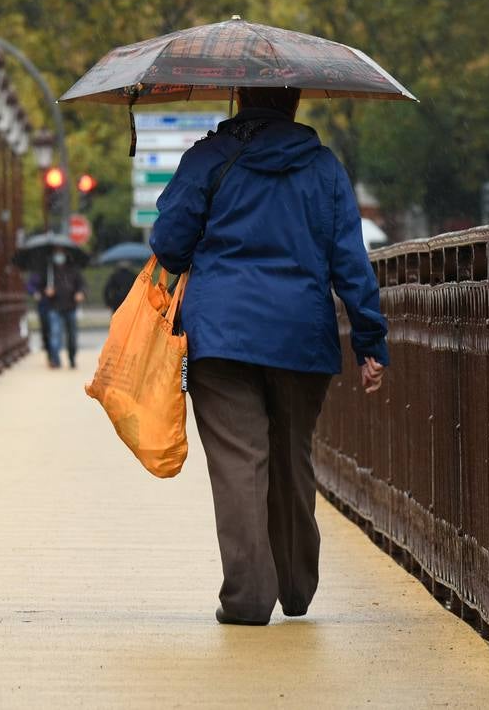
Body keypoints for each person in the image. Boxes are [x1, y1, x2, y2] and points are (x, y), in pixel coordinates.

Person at [150, 85, 387, 626]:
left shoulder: (208, 158)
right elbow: (351, 260)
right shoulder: (324, 168)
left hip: (222, 336)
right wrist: (370, 341)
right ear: (295, 102)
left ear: (238, 98)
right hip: (301, 335)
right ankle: (298, 586)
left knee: (239, 462)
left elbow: (169, 243)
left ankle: (249, 597)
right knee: (291, 456)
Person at [43, 251, 85, 368]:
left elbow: (82, 285)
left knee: (72, 335)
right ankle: (55, 359)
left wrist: (80, 293)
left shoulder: (74, 271)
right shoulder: (49, 271)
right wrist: (46, 292)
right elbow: (40, 286)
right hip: (55, 307)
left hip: (71, 306)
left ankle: (72, 358)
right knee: (55, 334)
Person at [25, 270, 52, 354]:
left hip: (57, 304)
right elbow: (29, 286)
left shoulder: (58, 272)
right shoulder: (38, 274)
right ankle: (48, 345)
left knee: (55, 327)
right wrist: (35, 293)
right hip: (43, 304)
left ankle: (53, 347)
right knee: (45, 326)